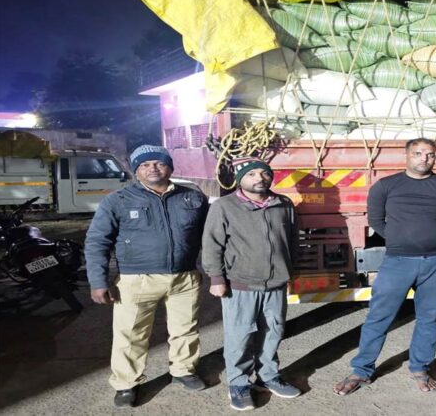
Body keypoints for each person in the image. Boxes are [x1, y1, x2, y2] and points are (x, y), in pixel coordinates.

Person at [333, 138, 436, 396]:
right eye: (418, 153)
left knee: (429, 318)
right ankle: (361, 370)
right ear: (406, 155)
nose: (424, 158)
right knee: (379, 316)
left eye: (430, 154)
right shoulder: (386, 186)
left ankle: (420, 367)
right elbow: (377, 220)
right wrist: (400, 240)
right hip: (397, 262)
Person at [85, 144, 209, 408]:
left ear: (170, 168)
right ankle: (126, 384)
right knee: (131, 335)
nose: (153, 168)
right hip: (136, 279)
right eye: (144, 165)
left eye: (159, 163)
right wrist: (98, 280)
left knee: (185, 329)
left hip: (184, 277)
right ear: (136, 171)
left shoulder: (192, 198)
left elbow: (210, 236)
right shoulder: (118, 200)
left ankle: (183, 370)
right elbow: (97, 241)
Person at [201, 157, 301, 411]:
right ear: (240, 179)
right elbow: (212, 244)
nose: (259, 178)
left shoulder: (283, 204)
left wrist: (291, 272)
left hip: (276, 283)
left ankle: (268, 376)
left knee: (274, 330)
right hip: (241, 283)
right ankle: (239, 383)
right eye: (251, 174)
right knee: (240, 335)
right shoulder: (224, 206)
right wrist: (216, 278)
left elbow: (292, 240)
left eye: (264, 173)